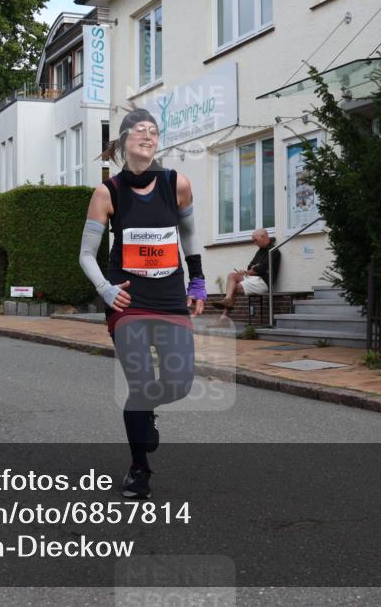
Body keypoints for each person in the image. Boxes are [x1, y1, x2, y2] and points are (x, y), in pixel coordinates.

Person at [79, 108, 205, 499]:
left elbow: (189, 236)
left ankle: (146, 408)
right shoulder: (108, 192)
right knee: (139, 383)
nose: (148, 136)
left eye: (153, 131)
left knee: (180, 382)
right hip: (127, 301)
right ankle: (139, 469)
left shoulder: (176, 184)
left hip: (169, 300)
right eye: (140, 131)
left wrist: (198, 280)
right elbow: (86, 254)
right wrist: (105, 289)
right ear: (123, 141)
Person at [212, 228, 280, 323]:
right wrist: (253, 269)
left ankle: (223, 319)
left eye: (255, 240)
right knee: (232, 275)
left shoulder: (274, 251)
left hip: (263, 282)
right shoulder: (260, 251)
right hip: (254, 278)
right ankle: (227, 300)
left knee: (233, 288)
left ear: (263, 237)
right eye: (253, 240)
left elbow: (260, 269)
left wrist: (253, 269)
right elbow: (251, 266)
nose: (254, 242)